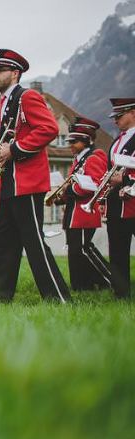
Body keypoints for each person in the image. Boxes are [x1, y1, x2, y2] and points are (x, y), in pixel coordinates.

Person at [0, 49, 70, 303]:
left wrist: (15, 148)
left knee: (33, 243)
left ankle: (58, 298)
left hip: (28, 183)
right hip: (10, 182)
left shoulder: (27, 96)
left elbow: (49, 128)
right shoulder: (5, 103)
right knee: (2, 243)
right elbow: (5, 135)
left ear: (15, 73)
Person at [53, 124, 111, 291]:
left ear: (86, 141)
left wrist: (69, 190)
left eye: (74, 141)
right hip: (74, 213)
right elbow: (74, 185)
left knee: (83, 249)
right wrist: (60, 197)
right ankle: (81, 285)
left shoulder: (93, 158)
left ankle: (109, 279)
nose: (70, 144)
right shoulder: (79, 160)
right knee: (75, 251)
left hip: (85, 213)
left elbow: (95, 184)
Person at [105, 97, 135, 299]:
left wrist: (123, 177)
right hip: (116, 204)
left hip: (133, 202)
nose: (115, 120)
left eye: (119, 115)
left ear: (133, 113)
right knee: (116, 251)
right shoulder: (117, 141)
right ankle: (121, 292)